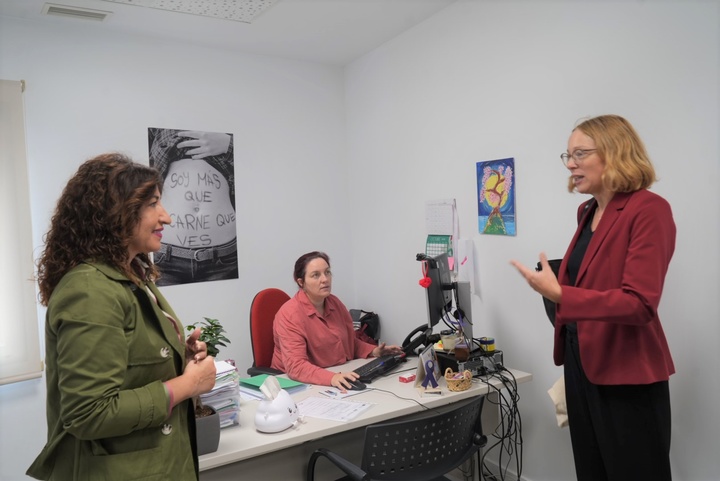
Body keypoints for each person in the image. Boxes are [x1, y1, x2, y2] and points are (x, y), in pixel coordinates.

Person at [27, 153, 217, 481]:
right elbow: (89, 413)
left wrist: (180, 359)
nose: (166, 217)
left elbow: (133, 364)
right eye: (153, 203)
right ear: (116, 212)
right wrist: (186, 385)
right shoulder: (89, 290)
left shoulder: (132, 275)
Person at [511, 114, 676, 481]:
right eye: (567, 156)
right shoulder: (586, 211)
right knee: (592, 470)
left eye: (580, 153)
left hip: (626, 372)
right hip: (580, 362)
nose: (570, 164)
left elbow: (640, 303)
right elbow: (591, 280)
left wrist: (561, 294)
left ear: (615, 152)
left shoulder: (649, 209)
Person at [271, 251, 403, 390]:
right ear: (301, 282)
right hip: (295, 385)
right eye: (316, 275)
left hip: (332, 375)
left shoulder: (334, 303)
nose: (325, 279)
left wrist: (375, 351)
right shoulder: (289, 314)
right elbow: (296, 366)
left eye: (327, 272)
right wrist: (332, 378)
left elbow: (348, 342)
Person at [148, 128, 238, 286]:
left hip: (224, 258)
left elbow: (257, 165)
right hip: (166, 259)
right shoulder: (158, 132)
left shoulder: (229, 134)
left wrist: (228, 144)